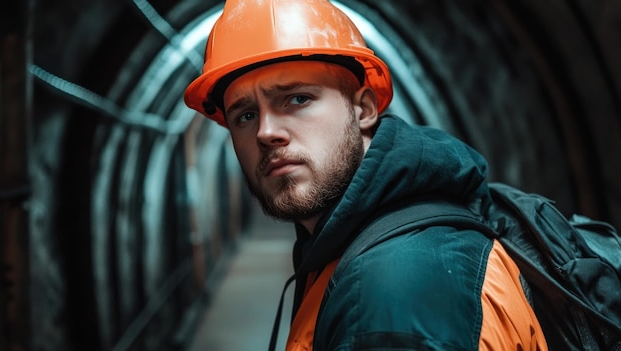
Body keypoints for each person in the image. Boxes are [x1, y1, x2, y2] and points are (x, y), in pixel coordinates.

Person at [184, 0, 548, 350]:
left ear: (364, 109)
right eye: (245, 115)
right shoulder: (349, 241)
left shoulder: (395, 303)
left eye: (297, 99)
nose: (266, 132)